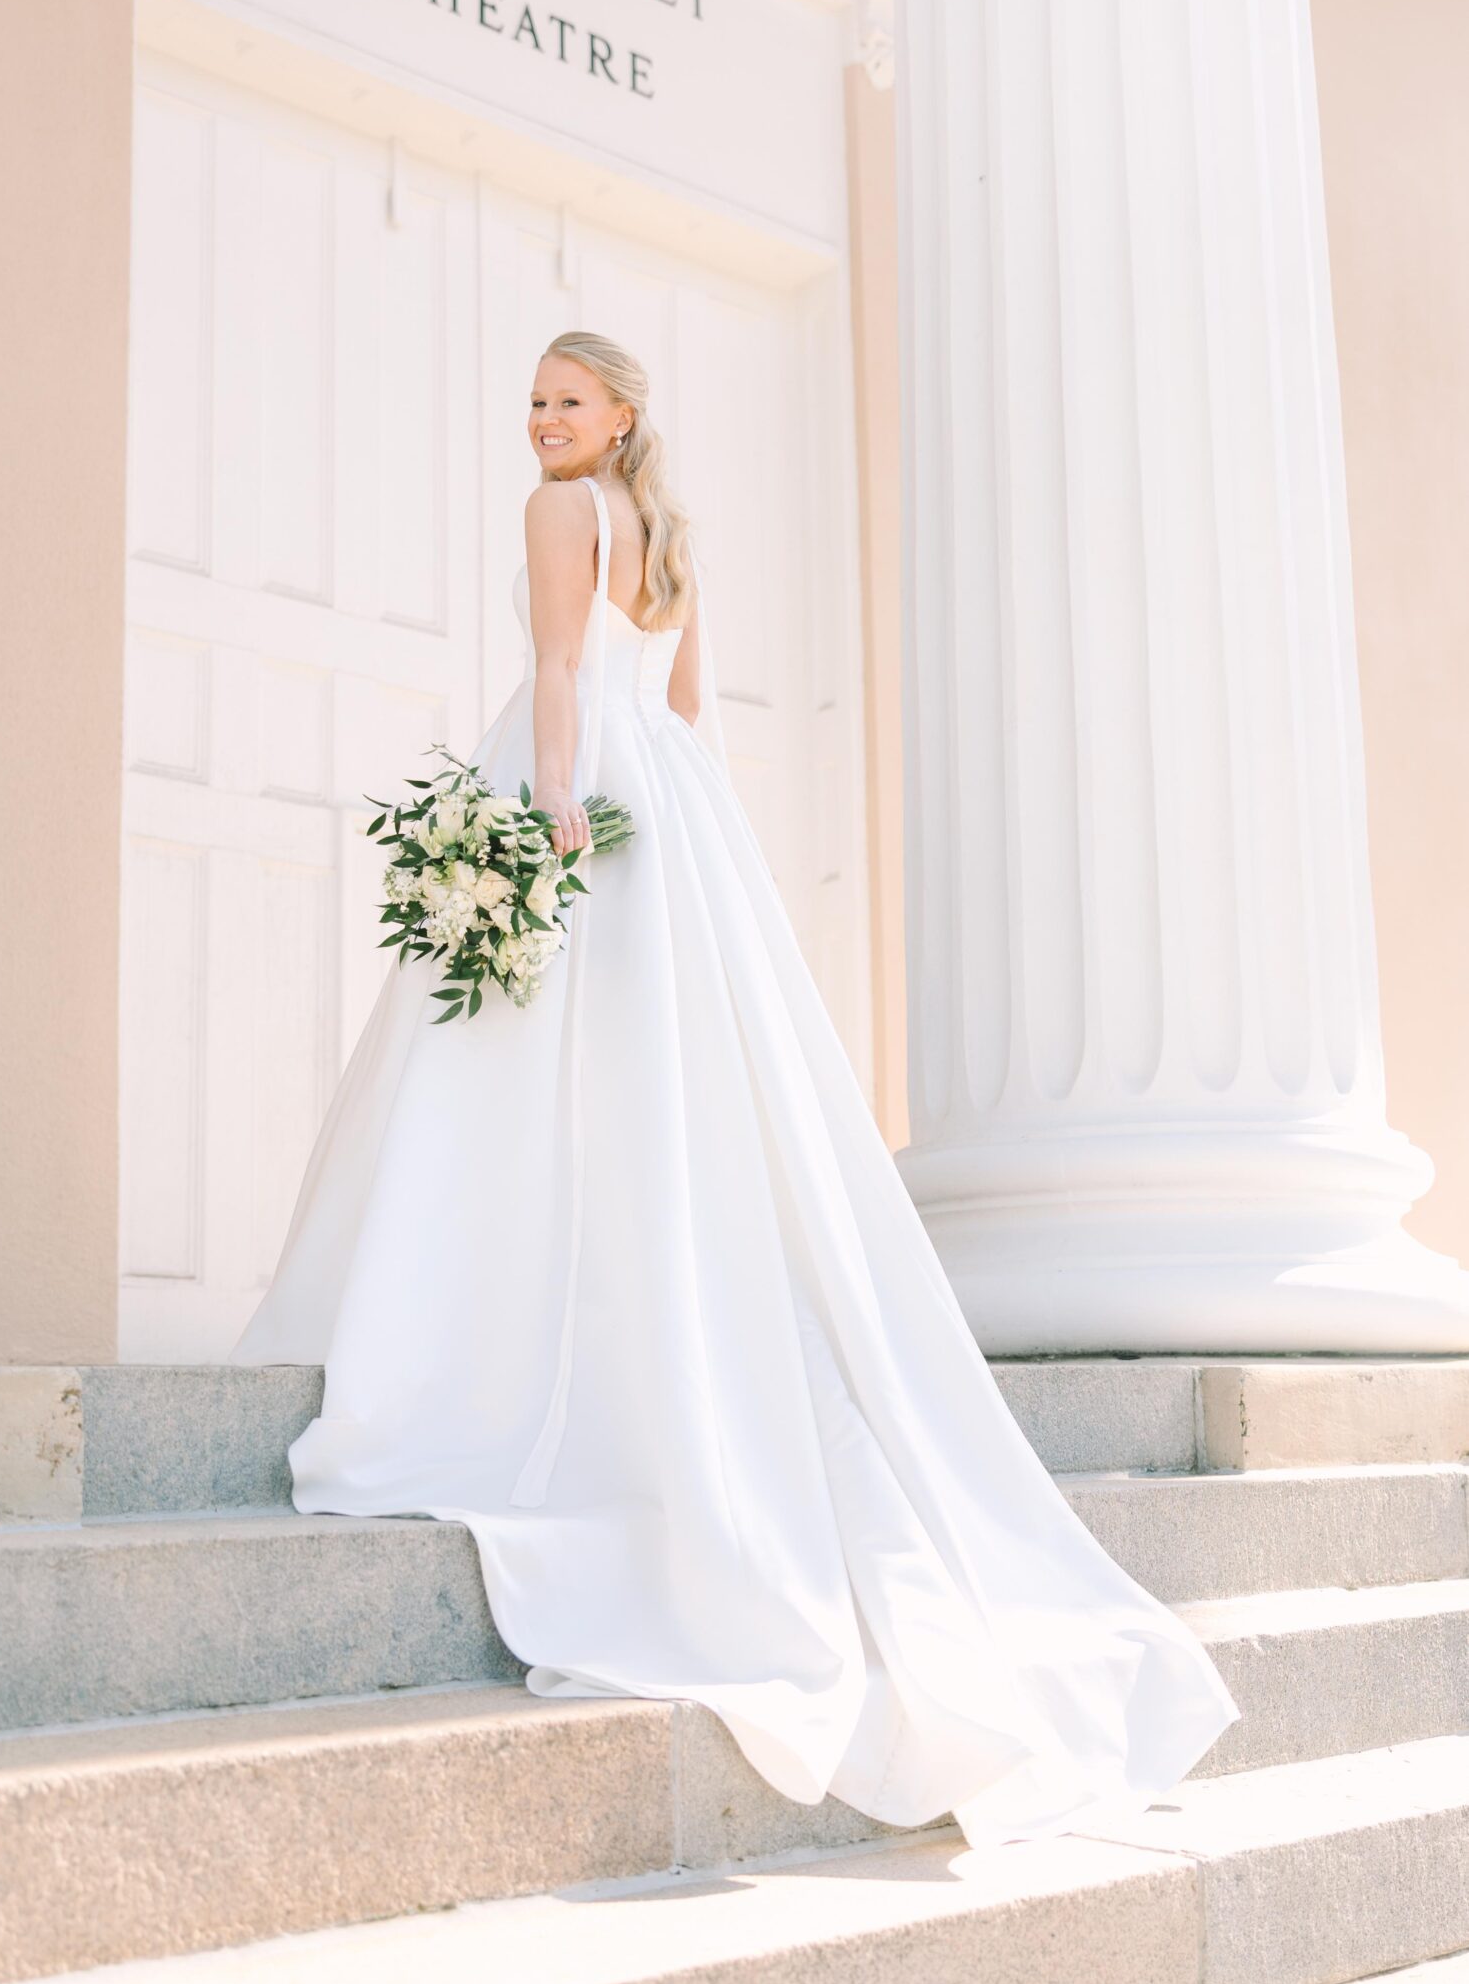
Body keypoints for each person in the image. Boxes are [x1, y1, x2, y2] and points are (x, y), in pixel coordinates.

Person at [233, 328, 1238, 1847]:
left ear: (619, 412)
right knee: (671, 1082)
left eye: (565, 403)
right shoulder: (676, 539)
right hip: (675, 812)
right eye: (531, 405)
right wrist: (650, 811)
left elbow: (560, 670)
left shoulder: (563, 514)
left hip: (579, 787)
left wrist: (555, 802)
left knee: (523, 1066)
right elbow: (690, 716)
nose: (542, 424)